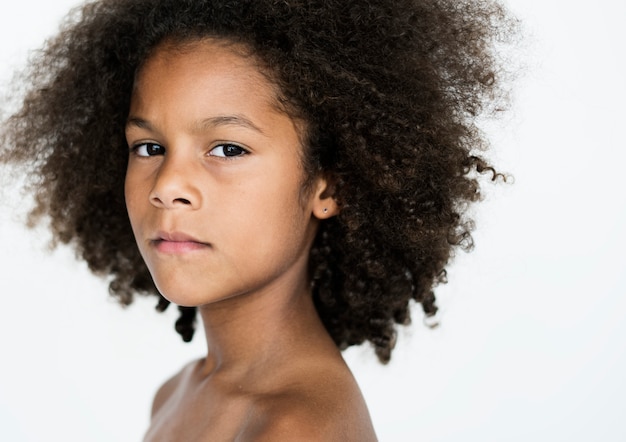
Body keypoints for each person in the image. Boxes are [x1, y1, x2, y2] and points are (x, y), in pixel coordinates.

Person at [0, 0, 515, 439]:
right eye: (150, 147)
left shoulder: (295, 428)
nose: (167, 187)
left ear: (328, 186)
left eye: (227, 148)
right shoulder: (176, 396)